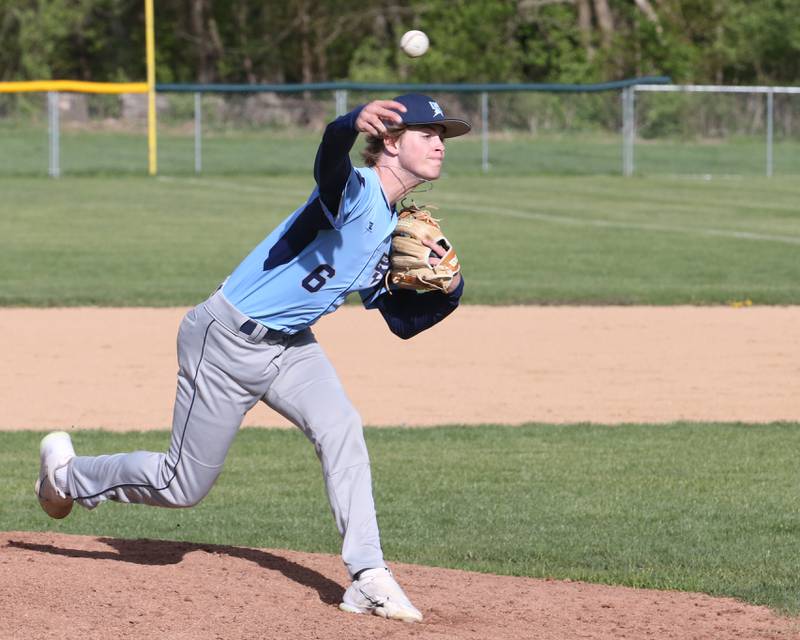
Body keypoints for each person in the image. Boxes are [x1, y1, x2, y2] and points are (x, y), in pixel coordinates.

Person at [35, 94, 471, 624]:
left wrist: (450, 290)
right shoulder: (356, 192)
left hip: (289, 346)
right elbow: (328, 165)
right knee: (181, 487)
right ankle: (67, 476)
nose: (439, 144)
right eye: (428, 132)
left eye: (442, 136)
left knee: (342, 429)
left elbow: (401, 322)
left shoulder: (392, 229)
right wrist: (345, 124)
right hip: (223, 340)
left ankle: (367, 576)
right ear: (392, 142)